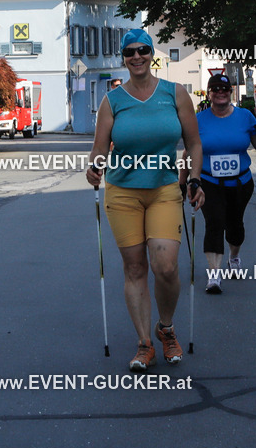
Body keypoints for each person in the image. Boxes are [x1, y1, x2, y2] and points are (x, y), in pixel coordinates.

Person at [86, 29, 205, 373]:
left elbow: (193, 144)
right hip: (122, 192)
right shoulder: (112, 101)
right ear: (122, 58)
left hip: (164, 188)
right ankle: (144, 343)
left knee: (165, 265)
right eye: (129, 52)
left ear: (151, 54)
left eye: (142, 51)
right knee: (135, 267)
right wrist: (94, 167)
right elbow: (99, 148)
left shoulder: (175, 93)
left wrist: (194, 178)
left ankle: (165, 328)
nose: (136, 57)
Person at [197, 73, 256, 293]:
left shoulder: (246, 116)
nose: (220, 92)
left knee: (235, 225)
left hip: (240, 182)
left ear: (231, 92)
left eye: (225, 89)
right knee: (214, 223)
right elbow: (191, 151)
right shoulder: (198, 120)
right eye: (215, 89)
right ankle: (214, 275)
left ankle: (234, 257)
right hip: (209, 181)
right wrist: (186, 181)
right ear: (209, 94)